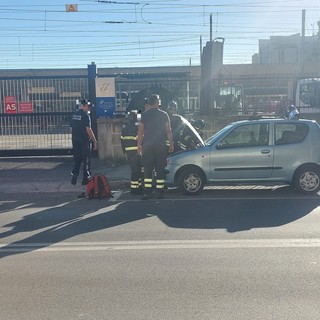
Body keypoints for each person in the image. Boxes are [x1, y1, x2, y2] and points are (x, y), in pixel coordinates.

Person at [137, 94, 174, 199]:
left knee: (147, 170)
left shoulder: (142, 115)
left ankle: (147, 193)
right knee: (160, 169)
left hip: (147, 146)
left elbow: (140, 132)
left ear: (149, 103)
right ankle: (160, 192)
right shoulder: (164, 114)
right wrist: (171, 144)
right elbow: (169, 131)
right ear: (157, 103)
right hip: (160, 146)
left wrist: (138, 146)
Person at [70, 99, 98, 186]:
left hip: (75, 139)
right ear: (84, 106)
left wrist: (74, 137)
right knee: (86, 159)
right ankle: (86, 178)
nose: (89, 109)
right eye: (88, 107)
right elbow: (88, 129)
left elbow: (70, 129)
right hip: (84, 140)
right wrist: (94, 141)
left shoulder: (74, 114)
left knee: (77, 158)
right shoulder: (86, 116)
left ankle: (75, 174)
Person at [121, 110, 143, 195]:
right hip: (136, 150)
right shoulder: (137, 125)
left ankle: (136, 187)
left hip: (129, 151)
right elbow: (140, 137)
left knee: (135, 170)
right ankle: (135, 189)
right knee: (138, 170)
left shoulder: (125, 126)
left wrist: (124, 151)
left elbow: (122, 139)